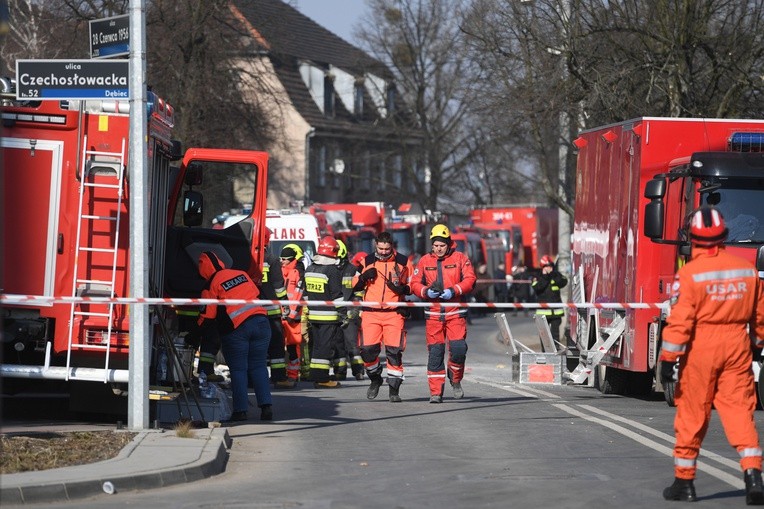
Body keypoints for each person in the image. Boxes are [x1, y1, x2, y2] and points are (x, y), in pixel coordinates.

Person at [659, 207, 764, 504]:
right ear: (724, 237)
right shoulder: (746, 270)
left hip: (701, 346)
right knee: (739, 411)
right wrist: (757, 345)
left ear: (693, 239)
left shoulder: (690, 273)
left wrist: (668, 359)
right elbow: (760, 316)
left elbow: (681, 321)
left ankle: (684, 483)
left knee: (693, 413)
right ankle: (753, 475)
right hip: (736, 345)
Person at [197, 251, 272, 422]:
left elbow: (208, 316)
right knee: (259, 366)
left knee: (239, 370)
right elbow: (257, 294)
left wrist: (195, 333)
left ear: (204, 269)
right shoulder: (241, 273)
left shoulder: (211, 284)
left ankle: (240, 411)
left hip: (238, 328)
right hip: (262, 323)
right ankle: (266, 407)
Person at [410, 224, 476, 404]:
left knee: (458, 350)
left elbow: (470, 279)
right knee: (436, 354)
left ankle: (455, 379)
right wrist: (425, 292)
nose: (439, 248)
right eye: (436, 245)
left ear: (448, 244)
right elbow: (414, 283)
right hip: (433, 315)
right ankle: (436, 393)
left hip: (455, 313)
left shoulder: (460, 258)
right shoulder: (424, 261)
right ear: (432, 244)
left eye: (442, 245)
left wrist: (454, 290)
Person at [352, 232, 413, 402]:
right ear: (375, 245)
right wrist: (363, 277)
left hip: (394, 313)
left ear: (392, 246)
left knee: (394, 353)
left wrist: (404, 290)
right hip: (371, 313)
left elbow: (414, 283)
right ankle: (375, 379)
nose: (384, 252)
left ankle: (394, 390)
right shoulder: (366, 261)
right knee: (367, 351)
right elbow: (353, 285)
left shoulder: (403, 262)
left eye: (387, 249)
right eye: (381, 248)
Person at [303, 236, 346, 388]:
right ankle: (322, 379)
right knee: (326, 347)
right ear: (333, 251)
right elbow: (337, 295)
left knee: (317, 346)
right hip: (328, 316)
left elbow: (306, 294)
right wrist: (343, 313)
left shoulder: (309, 269)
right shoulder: (332, 270)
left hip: (313, 315)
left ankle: (315, 375)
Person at [259, 228, 289, 387]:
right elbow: (278, 286)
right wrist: (284, 302)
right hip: (271, 311)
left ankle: (253, 378)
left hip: (251, 311)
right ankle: (278, 377)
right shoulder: (271, 259)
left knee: (255, 346)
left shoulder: (246, 258)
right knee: (276, 345)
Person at [337, 241, 365, 380]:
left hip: (349, 311)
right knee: (338, 345)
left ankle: (358, 370)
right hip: (336, 312)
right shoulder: (331, 270)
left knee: (352, 345)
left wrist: (355, 308)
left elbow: (359, 291)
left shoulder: (353, 270)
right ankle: (340, 371)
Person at [279, 243, 305, 387]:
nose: (281, 261)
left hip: (292, 317)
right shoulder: (281, 271)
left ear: (291, 259)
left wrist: (292, 314)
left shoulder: (297, 272)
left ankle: (293, 376)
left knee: (293, 347)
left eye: (284, 259)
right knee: (280, 346)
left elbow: (298, 295)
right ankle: (283, 375)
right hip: (282, 315)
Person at [532, 255, 567, 347]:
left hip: (556, 312)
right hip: (543, 312)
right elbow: (537, 287)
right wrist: (545, 276)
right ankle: (545, 353)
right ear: (543, 267)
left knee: (555, 334)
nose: (549, 268)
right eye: (546, 266)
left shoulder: (556, 275)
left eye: (550, 266)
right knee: (544, 334)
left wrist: (552, 274)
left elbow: (563, 282)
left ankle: (556, 350)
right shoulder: (538, 276)